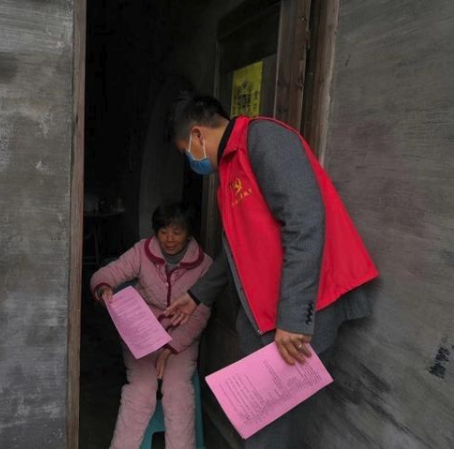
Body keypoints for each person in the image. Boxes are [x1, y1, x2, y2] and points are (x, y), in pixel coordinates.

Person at [164, 93, 379, 448]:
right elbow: (235, 250)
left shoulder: (264, 140)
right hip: (268, 317)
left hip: (301, 314)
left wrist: (293, 319)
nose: (191, 161)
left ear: (198, 135)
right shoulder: (229, 170)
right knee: (262, 426)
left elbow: (305, 221)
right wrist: (197, 295)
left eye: (186, 151)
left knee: (267, 430)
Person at [91, 202, 213, 449]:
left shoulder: (204, 265)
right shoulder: (142, 251)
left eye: (177, 232)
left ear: (189, 233)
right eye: (163, 231)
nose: (169, 239)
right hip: (141, 336)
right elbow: (105, 274)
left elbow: (200, 315)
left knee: (178, 392)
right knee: (140, 390)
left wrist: (171, 348)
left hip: (181, 339)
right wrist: (103, 288)